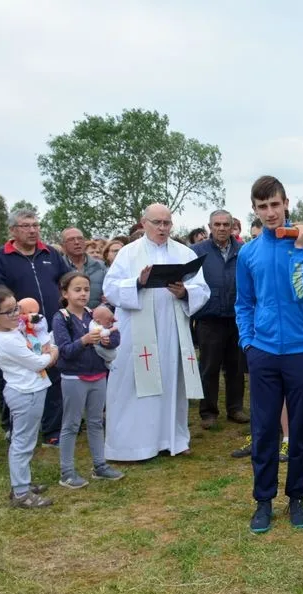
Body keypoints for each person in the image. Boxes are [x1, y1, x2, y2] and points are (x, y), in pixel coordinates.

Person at [236, 176, 303, 534]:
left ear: (286, 203)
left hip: (302, 350)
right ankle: (263, 501)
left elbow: (302, 291)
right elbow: (244, 303)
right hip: (264, 353)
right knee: (265, 428)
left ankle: (297, 496)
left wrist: (300, 249)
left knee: (300, 428)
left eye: (275, 204)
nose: (270, 212)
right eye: (262, 206)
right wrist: (248, 344)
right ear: (254, 209)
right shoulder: (249, 252)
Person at [102, 203, 210, 461]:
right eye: (157, 223)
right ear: (143, 223)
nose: (162, 228)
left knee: (172, 382)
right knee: (134, 386)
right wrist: (137, 283)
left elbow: (202, 289)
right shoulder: (128, 253)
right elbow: (111, 288)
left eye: (167, 223)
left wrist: (185, 292)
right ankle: (133, 445)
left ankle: (173, 438)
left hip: (172, 330)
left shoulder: (183, 252)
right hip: (137, 333)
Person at [0, 287, 58, 507]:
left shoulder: (10, 330)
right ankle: (20, 493)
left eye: (16, 307)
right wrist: (53, 351)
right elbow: (38, 362)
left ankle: (22, 484)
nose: (17, 314)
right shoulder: (6, 339)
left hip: (30, 390)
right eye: (9, 312)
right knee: (23, 443)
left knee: (25, 440)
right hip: (26, 393)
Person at [0, 208, 70, 446]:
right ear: (13, 230)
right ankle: (14, 427)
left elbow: (66, 280)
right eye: (26, 225)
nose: (33, 230)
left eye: (35, 224)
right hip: (17, 330)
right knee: (16, 379)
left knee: (53, 374)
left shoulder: (50, 253)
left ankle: (52, 430)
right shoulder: (0, 258)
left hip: (49, 325)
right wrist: (19, 319)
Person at [52, 272, 124, 489]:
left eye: (86, 289)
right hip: (74, 377)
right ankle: (67, 472)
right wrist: (84, 340)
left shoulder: (95, 314)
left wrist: (108, 338)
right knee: (71, 425)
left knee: (96, 422)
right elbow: (64, 351)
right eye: (77, 289)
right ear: (65, 293)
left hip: (99, 375)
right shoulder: (61, 318)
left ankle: (100, 466)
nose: (83, 294)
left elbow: (115, 339)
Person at [192, 210, 248, 428]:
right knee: (209, 366)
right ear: (210, 226)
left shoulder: (242, 251)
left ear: (232, 226)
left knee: (236, 366)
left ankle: (235, 408)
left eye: (226, 224)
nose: (222, 228)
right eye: (217, 224)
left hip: (236, 317)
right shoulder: (197, 252)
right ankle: (208, 412)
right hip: (209, 317)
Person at [61, 227, 107, 309]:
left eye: (80, 238)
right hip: (68, 319)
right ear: (63, 245)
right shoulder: (58, 267)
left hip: (98, 318)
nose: (77, 242)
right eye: (71, 239)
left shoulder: (101, 266)